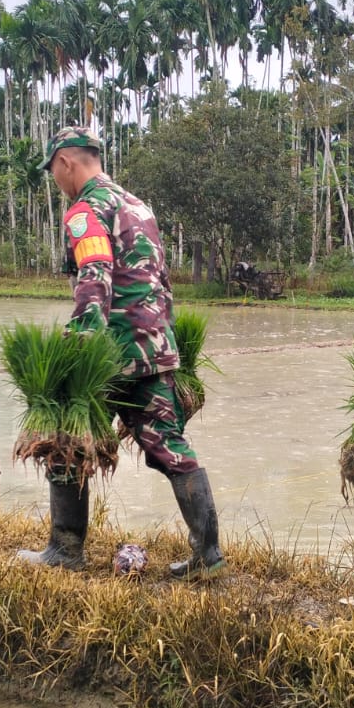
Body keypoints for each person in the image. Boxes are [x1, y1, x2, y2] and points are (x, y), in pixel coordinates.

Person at [16, 125, 225, 579]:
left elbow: (95, 270)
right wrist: (164, 339)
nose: (55, 179)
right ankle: (208, 558)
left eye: (53, 170)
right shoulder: (137, 205)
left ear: (66, 162)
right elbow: (160, 278)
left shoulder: (84, 210)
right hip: (154, 345)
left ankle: (64, 550)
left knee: (67, 439)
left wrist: (81, 344)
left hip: (110, 352)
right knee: (171, 447)